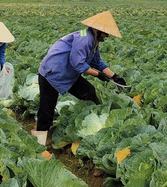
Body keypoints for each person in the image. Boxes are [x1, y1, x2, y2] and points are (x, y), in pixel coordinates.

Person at [33, 10, 127, 145]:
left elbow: (97, 62)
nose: (107, 37)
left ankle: (91, 122)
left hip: (68, 73)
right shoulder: (84, 39)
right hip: (52, 73)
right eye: (106, 33)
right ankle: (39, 140)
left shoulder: (93, 41)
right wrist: (98, 75)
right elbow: (78, 64)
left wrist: (114, 76)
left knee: (89, 92)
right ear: (97, 30)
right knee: (47, 107)